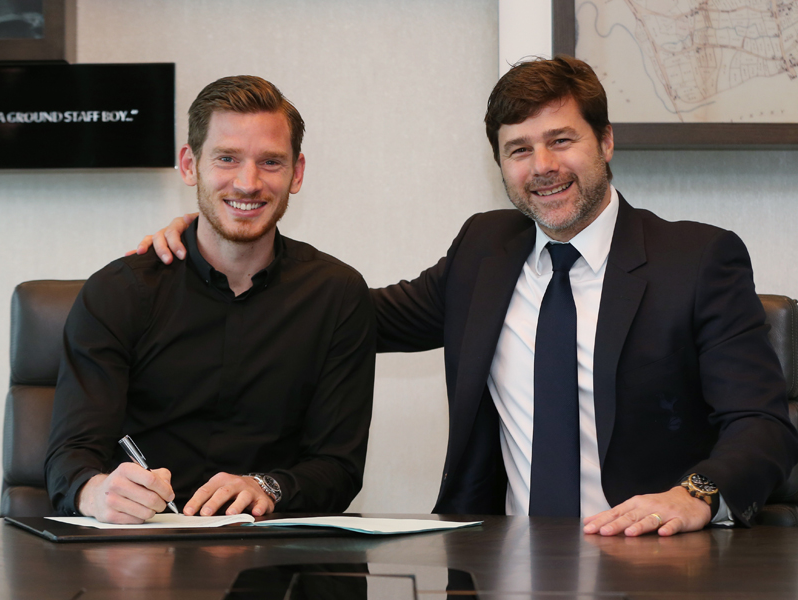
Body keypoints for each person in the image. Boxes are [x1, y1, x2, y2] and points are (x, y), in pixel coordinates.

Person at [136, 57, 798, 536]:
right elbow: (345, 313)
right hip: (503, 563)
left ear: (605, 142)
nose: (541, 166)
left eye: (561, 140)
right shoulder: (487, 250)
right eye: (518, 149)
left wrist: (693, 497)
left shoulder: (697, 260)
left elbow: (764, 426)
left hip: (655, 560)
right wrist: (223, 245)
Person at [45, 76, 376, 524]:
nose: (248, 182)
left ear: (296, 173)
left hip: (277, 560)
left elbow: (338, 468)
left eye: (271, 162)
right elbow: (70, 459)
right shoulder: (119, 292)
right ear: (189, 165)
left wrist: (266, 487)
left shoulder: (336, 295)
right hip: (141, 551)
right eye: (226, 158)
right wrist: (96, 492)